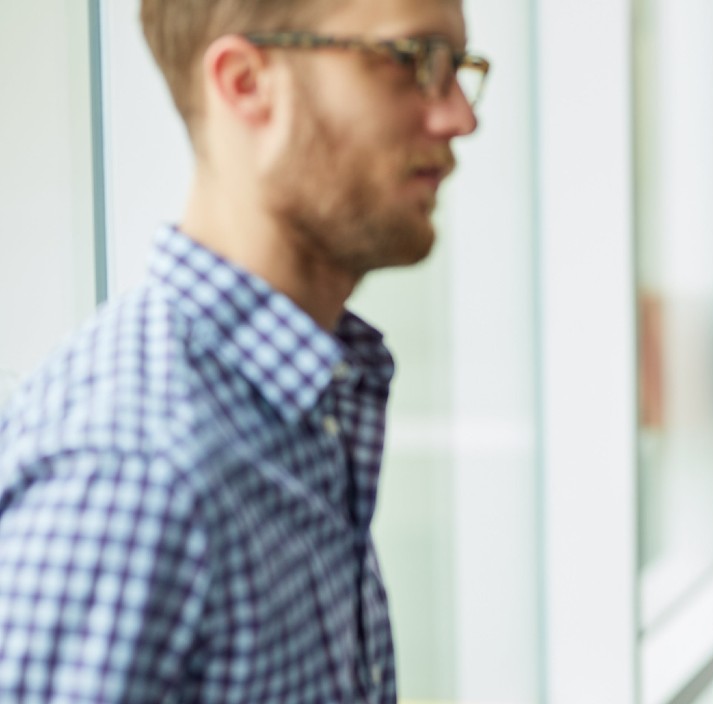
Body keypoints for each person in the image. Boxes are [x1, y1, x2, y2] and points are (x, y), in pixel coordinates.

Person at [0, 0, 484, 700]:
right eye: (413, 62)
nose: (459, 118)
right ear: (246, 82)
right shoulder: (129, 475)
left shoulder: (306, 406)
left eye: (458, 69)